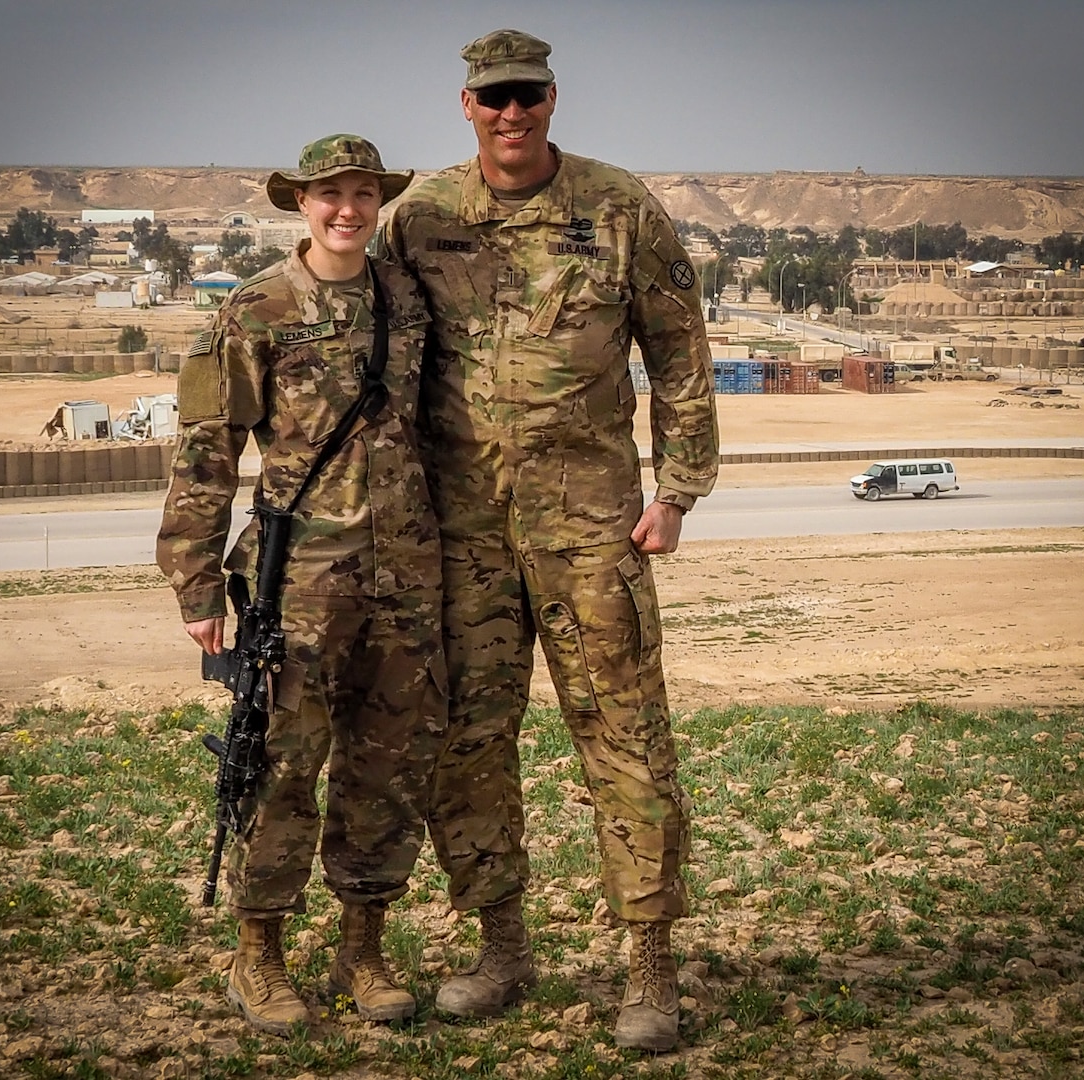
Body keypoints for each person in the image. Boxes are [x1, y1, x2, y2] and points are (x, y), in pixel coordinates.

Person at [385, 30, 719, 1052]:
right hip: (463, 531)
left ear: (552, 98)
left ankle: (650, 969)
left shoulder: (619, 209)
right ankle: (501, 948)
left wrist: (680, 491)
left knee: (625, 739)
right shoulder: (422, 218)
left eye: (526, 94)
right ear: (466, 106)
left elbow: (681, 354)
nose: (511, 113)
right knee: (467, 744)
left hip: (593, 527)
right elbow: (376, 357)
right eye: (494, 99)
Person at [157, 134, 446, 1034]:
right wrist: (197, 583)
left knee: (387, 768)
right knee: (281, 766)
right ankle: (259, 955)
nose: (348, 210)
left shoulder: (407, 299)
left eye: (364, 194)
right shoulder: (257, 309)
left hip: (403, 576)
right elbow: (206, 453)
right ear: (300, 205)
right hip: (299, 586)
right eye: (330, 196)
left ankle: (363, 949)